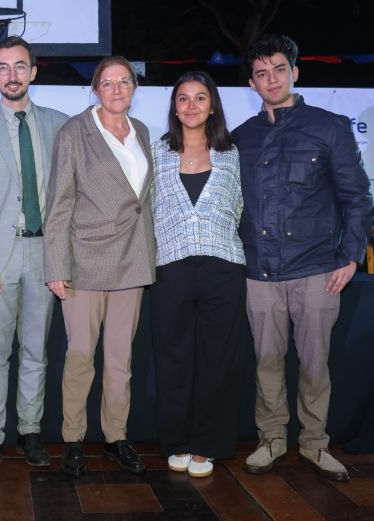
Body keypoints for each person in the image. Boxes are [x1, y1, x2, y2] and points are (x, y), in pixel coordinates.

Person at [232, 34, 374, 482]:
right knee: (266, 363)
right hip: (259, 271)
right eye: (260, 73)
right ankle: (271, 439)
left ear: (295, 72)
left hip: (317, 269)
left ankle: (314, 444)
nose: (270, 79)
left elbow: (357, 197)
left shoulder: (329, 127)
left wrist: (351, 255)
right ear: (251, 83)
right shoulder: (239, 138)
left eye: (278, 69)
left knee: (315, 364)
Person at [0, 36, 69, 479]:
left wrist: (63, 260)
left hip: (45, 255)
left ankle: (30, 430)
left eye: (19, 67)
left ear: (33, 72)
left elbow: (68, 198)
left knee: (36, 351)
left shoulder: (61, 126)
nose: (11, 75)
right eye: (2, 68)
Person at [44, 56, 156, 477]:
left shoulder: (141, 132)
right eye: (107, 82)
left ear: (133, 87)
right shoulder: (75, 132)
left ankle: (116, 437)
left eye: (123, 82)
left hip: (133, 260)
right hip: (84, 261)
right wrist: (56, 265)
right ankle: (73, 439)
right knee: (79, 357)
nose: (115, 89)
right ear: (95, 88)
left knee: (120, 359)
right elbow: (59, 204)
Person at [150, 71, 245, 478]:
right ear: (174, 106)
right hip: (171, 266)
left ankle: (208, 444)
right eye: (183, 98)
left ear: (212, 105)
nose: (191, 106)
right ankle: (177, 441)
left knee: (216, 359)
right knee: (173, 358)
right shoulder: (156, 153)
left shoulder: (232, 154)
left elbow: (238, 206)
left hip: (223, 265)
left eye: (200, 98)